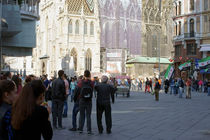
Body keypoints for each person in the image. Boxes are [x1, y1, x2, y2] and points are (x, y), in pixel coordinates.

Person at [78, 70, 94, 134]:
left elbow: (78, 90)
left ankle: (81, 129)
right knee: (88, 115)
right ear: (89, 75)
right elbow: (93, 89)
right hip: (89, 100)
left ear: (84, 75)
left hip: (82, 100)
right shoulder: (92, 82)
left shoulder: (81, 82)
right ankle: (89, 130)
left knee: (81, 115)